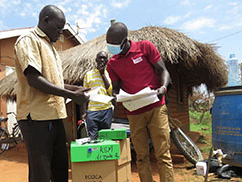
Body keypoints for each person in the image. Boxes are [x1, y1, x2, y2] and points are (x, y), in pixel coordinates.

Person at [14, 5, 89, 182]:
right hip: (36, 119)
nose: (60, 33)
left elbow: (54, 82)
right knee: (41, 174)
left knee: (60, 169)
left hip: (54, 116)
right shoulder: (28, 40)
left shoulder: (51, 47)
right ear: (45, 20)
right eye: (58, 28)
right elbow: (34, 79)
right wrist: (70, 96)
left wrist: (74, 89)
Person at [106, 22, 174, 182]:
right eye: (109, 44)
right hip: (134, 113)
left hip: (156, 107)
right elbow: (116, 88)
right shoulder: (112, 64)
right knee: (141, 156)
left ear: (125, 41)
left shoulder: (145, 47)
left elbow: (162, 70)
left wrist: (163, 87)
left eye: (114, 45)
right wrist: (115, 96)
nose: (111, 48)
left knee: (163, 154)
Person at [81, 51, 113, 139]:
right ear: (96, 60)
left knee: (106, 138)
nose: (102, 60)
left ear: (107, 60)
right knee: (93, 138)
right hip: (92, 111)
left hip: (106, 110)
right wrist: (84, 112)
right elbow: (85, 94)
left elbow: (111, 92)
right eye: (100, 58)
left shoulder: (109, 73)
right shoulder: (88, 74)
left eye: (104, 58)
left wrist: (102, 74)